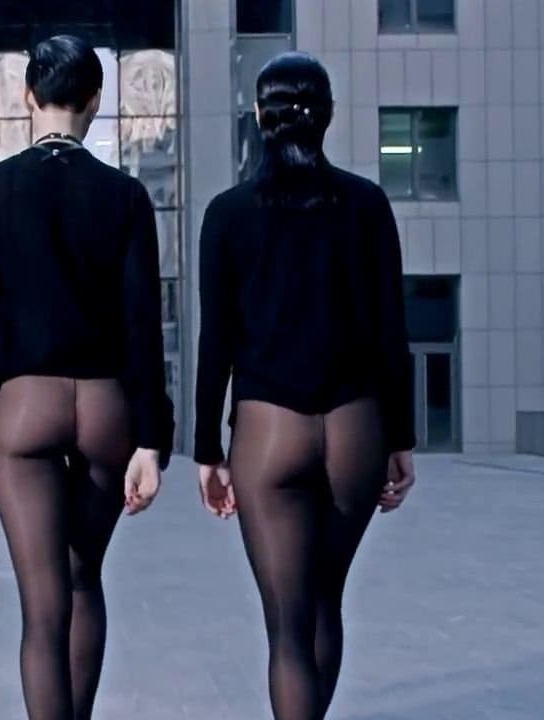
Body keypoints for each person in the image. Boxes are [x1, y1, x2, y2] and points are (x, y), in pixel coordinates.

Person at [192, 52, 417, 720]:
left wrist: (207, 451)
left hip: (268, 431)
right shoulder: (368, 205)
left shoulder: (228, 214)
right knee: (325, 604)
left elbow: (216, 343)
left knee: (288, 628)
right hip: (356, 428)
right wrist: (401, 439)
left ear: (259, 118)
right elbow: (391, 332)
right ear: (328, 116)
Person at [0, 34, 175, 720]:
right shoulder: (126, 196)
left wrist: (2, 397)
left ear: (28, 97)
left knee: (43, 605)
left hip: (25, 403)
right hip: (107, 407)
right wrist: (152, 440)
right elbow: (143, 325)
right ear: (95, 100)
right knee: (84, 580)